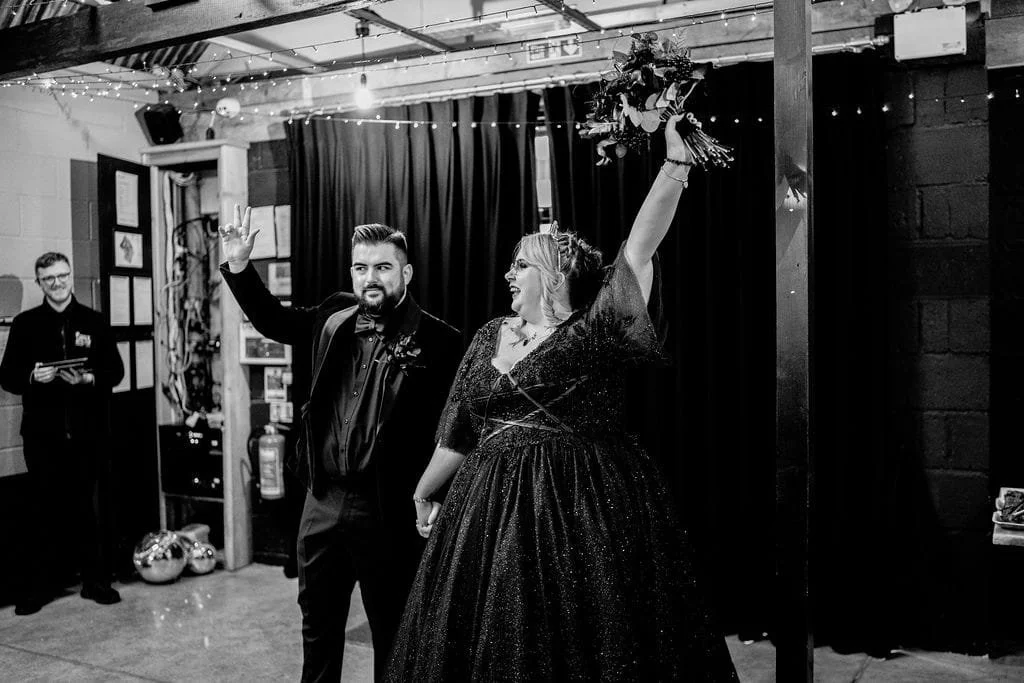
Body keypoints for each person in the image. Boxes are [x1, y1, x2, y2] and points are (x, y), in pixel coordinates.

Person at [386, 116, 739, 681]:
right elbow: (458, 430)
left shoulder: (592, 331)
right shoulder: (486, 338)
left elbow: (639, 251)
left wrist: (675, 165)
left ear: (554, 276)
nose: (509, 273)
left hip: (579, 503)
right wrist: (424, 493)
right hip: (487, 509)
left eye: (522, 264)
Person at [218, 211, 463, 682]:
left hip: (387, 509)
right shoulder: (334, 316)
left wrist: (434, 496)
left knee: (393, 634)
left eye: (383, 268)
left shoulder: (441, 340)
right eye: (360, 267)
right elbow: (276, 321)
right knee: (319, 629)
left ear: (406, 273)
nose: (369, 278)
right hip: (322, 501)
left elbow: (454, 433)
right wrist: (239, 266)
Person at [0, 252, 125, 616]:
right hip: (43, 436)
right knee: (42, 511)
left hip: (88, 434)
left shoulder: (94, 321)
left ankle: (95, 581)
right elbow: (7, 376)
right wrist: (31, 378)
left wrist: (88, 379)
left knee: (88, 509)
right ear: (39, 283)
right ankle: (40, 588)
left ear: (71, 277)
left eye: (63, 276)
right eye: (49, 278)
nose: (57, 283)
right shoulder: (25, 324)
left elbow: (115, 372)